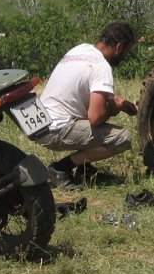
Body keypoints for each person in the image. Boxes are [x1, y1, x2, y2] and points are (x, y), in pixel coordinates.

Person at [34, 22, 139, 189]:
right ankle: (60, 168)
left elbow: (82, 89)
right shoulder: (101, 67)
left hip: (42, 122)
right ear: (119, 46)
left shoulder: (80, 50)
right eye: (127, 51)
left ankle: (85, 169)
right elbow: (95, 117)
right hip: (55, 129)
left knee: (98, 126)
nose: (126, 56)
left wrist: (114, 99)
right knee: (121, 138)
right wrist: (113, 108)